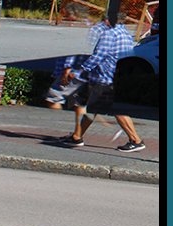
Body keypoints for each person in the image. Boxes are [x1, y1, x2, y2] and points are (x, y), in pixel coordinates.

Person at [58, 13, 145, 152]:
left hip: (106, 77)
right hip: (118, 75)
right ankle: (76, 137)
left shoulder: (109, 34)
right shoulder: (125, 33)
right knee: (92, 108)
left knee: (115, 109)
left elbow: (99, 55)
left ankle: (136, 140)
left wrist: (80, 71)